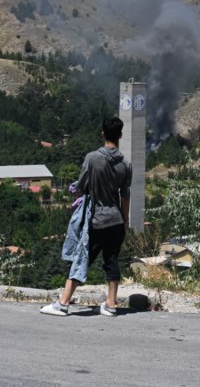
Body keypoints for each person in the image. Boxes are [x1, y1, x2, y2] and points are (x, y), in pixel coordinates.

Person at [41, 117, 132, 317]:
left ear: (102, 133)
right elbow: (125, 196)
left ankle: (63, 303)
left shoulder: (92, 158)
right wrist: (125, 220)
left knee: (82, 258)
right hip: (116, 220)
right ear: (120, 135)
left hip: (97, 220)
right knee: (112, 260)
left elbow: (81, 185)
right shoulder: (126, 164)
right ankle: (111, 304)